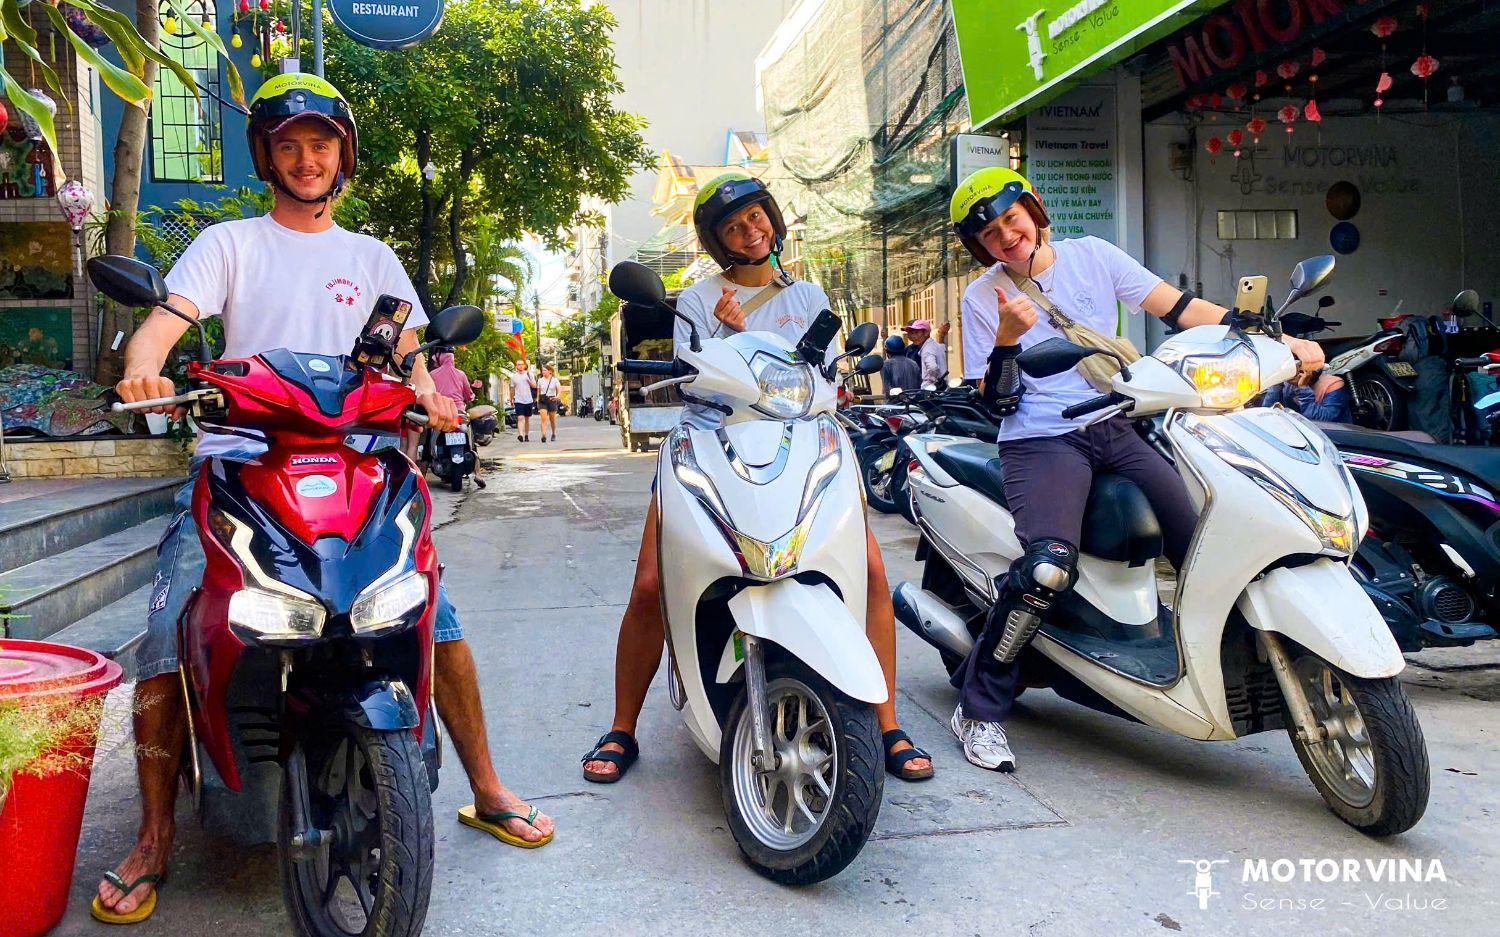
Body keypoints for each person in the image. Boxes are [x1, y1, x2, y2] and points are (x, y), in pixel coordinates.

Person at [93, 73, 552, 926]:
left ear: (344, 156)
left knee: (436, 615)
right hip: (240, 469)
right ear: (267, 154)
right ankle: (155, 834)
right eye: (290, 144)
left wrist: (434, 393)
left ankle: (486, 784)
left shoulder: (371, 258)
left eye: (322, 143)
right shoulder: (230, 244)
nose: (307, 159)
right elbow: (165, 323)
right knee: (163, 632)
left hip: (358, 471)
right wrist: (144, 364)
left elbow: (407, 360)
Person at [947, 167, 1326, 772]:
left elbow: (1177, 308)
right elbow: (994, 401)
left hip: (1119, 422)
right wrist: (1007, 342)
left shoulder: (1093, 255)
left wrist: (1266, 334)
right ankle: (981, 707)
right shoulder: (982, 296)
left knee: (1205, 536)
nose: (1005, 238)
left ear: (1033, 210)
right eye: (990, 235)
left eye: (1010, 221)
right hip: (1043, 441)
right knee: (1046, 568)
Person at [580, 172, 934, 784]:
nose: (750, 231)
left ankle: (885, 720)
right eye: (733, 226)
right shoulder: (696, 300)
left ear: (772, 216)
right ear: (718, 239)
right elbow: (692, 378)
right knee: (649, 582)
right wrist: (725, 333)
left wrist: (764, 346)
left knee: (872, 572)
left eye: (756, 216)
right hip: (710, 444)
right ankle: (622, 725)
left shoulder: (811, 298)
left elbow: (821, 376)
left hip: (802, 441)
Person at [430, 349, 487, 488]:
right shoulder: (461, 374)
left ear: (439, 358)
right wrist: (471, 397)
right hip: (459, 414)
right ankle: (478, 473)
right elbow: (468, 394)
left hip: (441, 414)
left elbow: (428, 393)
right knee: (471, 444)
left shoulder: (432, 375)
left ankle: (422, 470)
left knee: (428, 443)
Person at [1259, 369, 1353, 423]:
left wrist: (1303, 388)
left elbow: (1323, 420)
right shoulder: (1289, 384)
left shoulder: (1333, 386)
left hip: (1334, 435)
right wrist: (1277, 384)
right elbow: (1267, 410)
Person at [902, 318, 948, 389]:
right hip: (941, 387)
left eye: (916, 333)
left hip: (930, 389)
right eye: (911, 333)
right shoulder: (935, 345)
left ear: (926, 333)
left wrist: (932, 381)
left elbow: (933, 368)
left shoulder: (927, 349)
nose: (913, 336)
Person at [510, 359, 537, 441]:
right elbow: (512, 389)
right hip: (518, 400)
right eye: (518, 364)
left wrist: (528, 381)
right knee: (520, 418)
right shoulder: (514, 377)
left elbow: (535, 386)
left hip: (528, 400)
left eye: (522, 364)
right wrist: (511, 398)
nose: (520, 366)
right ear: (516, 366)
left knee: (527, 419)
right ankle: (520, 435)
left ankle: (526, 434)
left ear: (525, 366)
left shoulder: (529, 374)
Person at [536, 363, 562, 442]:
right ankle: (543, 435)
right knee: (543, 418)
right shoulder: (540, 380)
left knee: (552, 419)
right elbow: (538, 391)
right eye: (542, 370)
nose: (543, 372)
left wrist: (557, 396)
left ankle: (553, 433)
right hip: (543, 400)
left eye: (545, 370)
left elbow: (559, 389)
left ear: (550, 371)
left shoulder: (554, 380)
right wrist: (537, 401)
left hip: (552, 400)